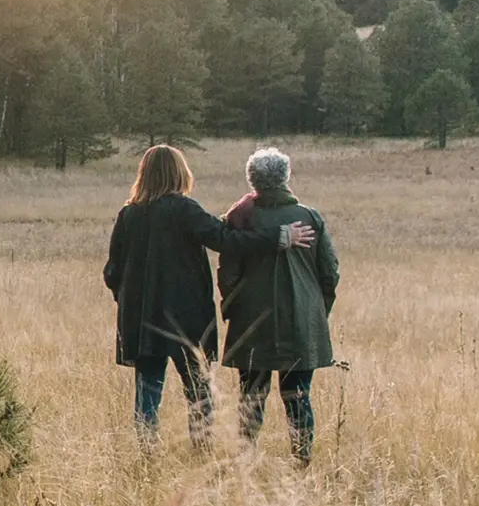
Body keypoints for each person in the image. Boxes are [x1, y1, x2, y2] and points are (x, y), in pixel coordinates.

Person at [103, 144, 315, 449]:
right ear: (179, 173)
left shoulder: (129, 214)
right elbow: (226, 240)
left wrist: (127, 300)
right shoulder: (185, 210)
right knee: (198, 391)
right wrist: (279, 237)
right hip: (186, 319)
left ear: (144, 174)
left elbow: (112, 270)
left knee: (148, 391)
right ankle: (201, 450)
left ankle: (146, 453)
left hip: (141, 319)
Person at [217, 147, 340, 468]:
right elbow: (330, 273)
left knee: (251, 396)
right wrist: (317, 312)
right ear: (285, 177)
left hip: (251, 322)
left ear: (252, 180)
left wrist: (231, 310)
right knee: (298, 395)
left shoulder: (241, 218)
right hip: (301, 321)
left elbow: (227, 275)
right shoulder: (310, 218)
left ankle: (245, 461)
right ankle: (302, 461)